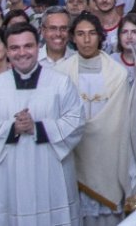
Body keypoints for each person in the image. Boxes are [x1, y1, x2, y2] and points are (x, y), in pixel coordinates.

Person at [0, 22, 85, 226]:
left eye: (27, 46)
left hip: (51, 176)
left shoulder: (60, 82)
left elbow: (76, 122)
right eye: (14, 48)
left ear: (38, 46)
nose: (22, 53)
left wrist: (36, 128)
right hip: (9, 178)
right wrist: (12, 128)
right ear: (7, 51)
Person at [54, 12, 131, 226]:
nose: (86, 40)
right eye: (80, 34)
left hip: (108, 160)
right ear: (73, 38)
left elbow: (120, 123)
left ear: (100, 36)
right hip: (73, 163)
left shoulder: (118, 74)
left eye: (91, 34)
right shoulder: (60, 75)